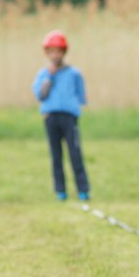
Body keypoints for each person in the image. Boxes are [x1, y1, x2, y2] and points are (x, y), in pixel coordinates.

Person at [32, 30, 91, 201]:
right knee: (56, 155)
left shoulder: (74, 73)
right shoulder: (43, 74)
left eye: (58, 51)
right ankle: (60, 191)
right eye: (51, 52)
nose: (55, 55)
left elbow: (81, 96)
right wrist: (49, 76)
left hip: (69, 118)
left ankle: (83, 190)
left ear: (64, 52)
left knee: (75, 153)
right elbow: (41, 95)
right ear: (47, 53)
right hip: (51, 118)